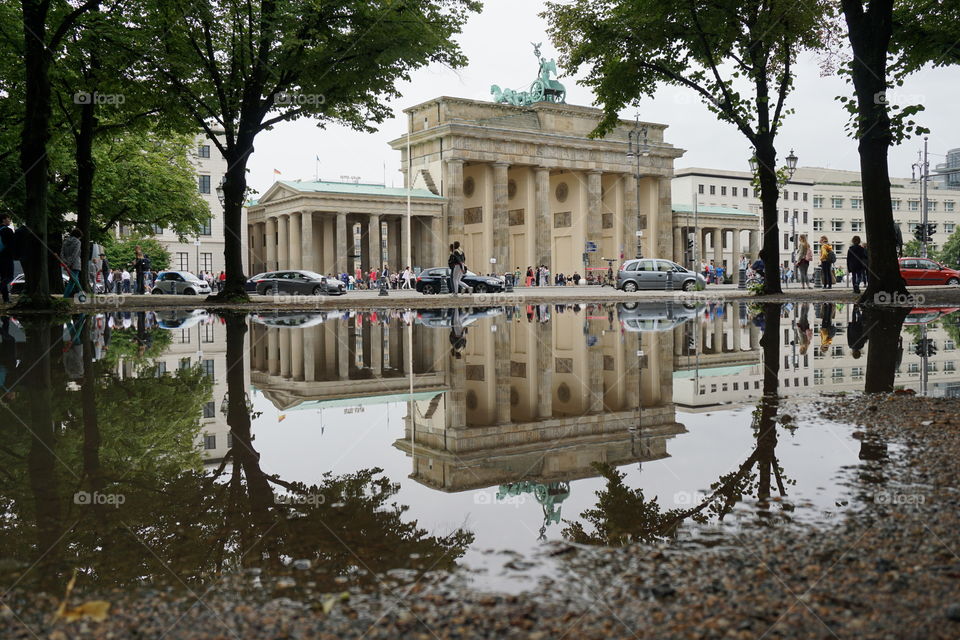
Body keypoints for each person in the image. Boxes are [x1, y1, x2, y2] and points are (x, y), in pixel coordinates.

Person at [58, 227, 83, 299]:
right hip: (75, 264)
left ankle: (82, 295)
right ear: (78, 236)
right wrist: (69, 262)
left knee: (75, 279)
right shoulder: (78, 242)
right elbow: (75, 254)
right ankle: (65, 297)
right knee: (73, 281)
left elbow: (62, 253)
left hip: (66, 264)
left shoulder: (65, 242)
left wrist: (65, 262)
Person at [0, 215, 14, 303]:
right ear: (4, 220)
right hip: (6, 257)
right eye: (9, 219)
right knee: (9, 277)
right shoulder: (7, 230)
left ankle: (6, 299)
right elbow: (13, 244)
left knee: (3, 277)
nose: (9, 220)